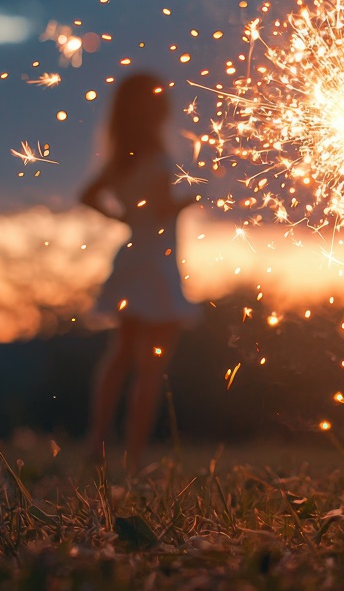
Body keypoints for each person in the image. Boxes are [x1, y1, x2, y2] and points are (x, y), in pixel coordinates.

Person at [81, 73, 199, 471]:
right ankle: (135, 452)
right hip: (158, 261)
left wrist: (124, 217)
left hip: (133, 255)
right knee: (152, 363)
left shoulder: (122, 156)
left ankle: (96, 438)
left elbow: (87, 195)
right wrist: (191, 199)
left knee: (120, 354)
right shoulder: (156, 156)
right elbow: (165, 207)